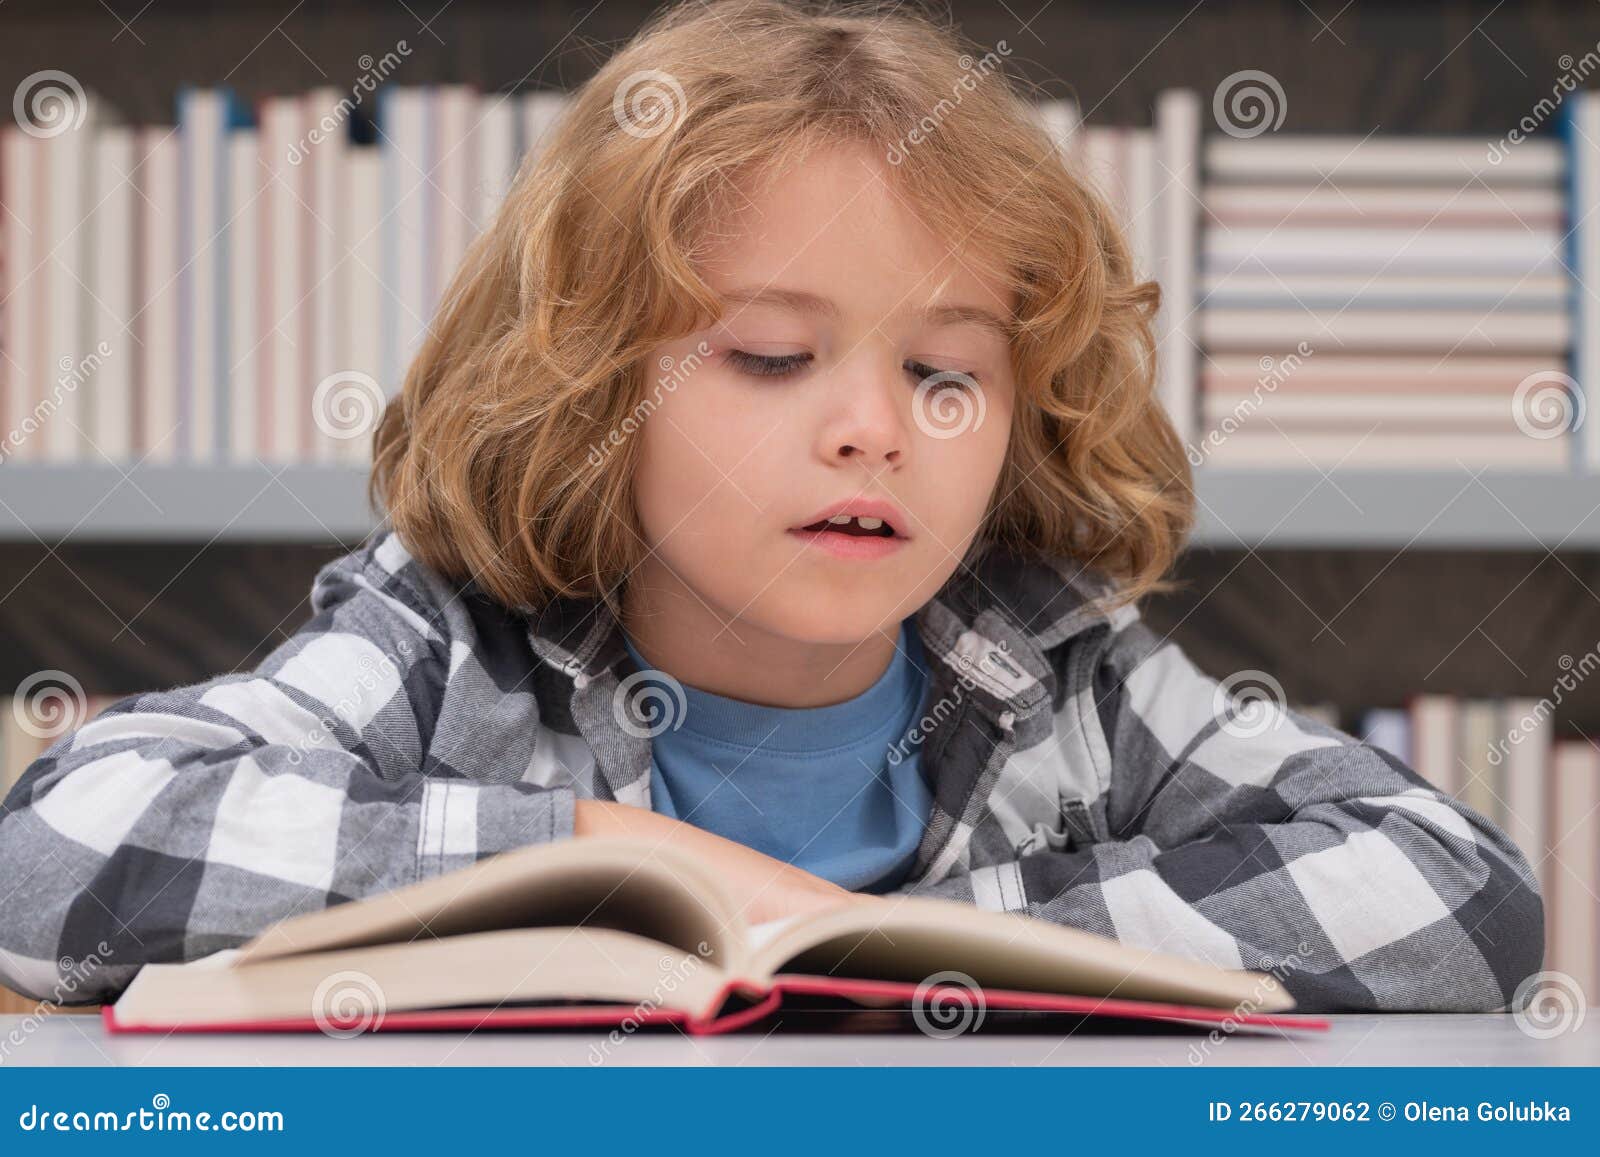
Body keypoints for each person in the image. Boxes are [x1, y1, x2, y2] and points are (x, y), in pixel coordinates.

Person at [0, 0, 1542, 1011]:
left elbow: (1461, 887)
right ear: (599, 391)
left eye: (947, 372)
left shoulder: (1058, 671)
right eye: (771, 355)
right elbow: (57, 846)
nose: (876, 429)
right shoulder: (455, 647)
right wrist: (603, 853)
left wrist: (942, 948)